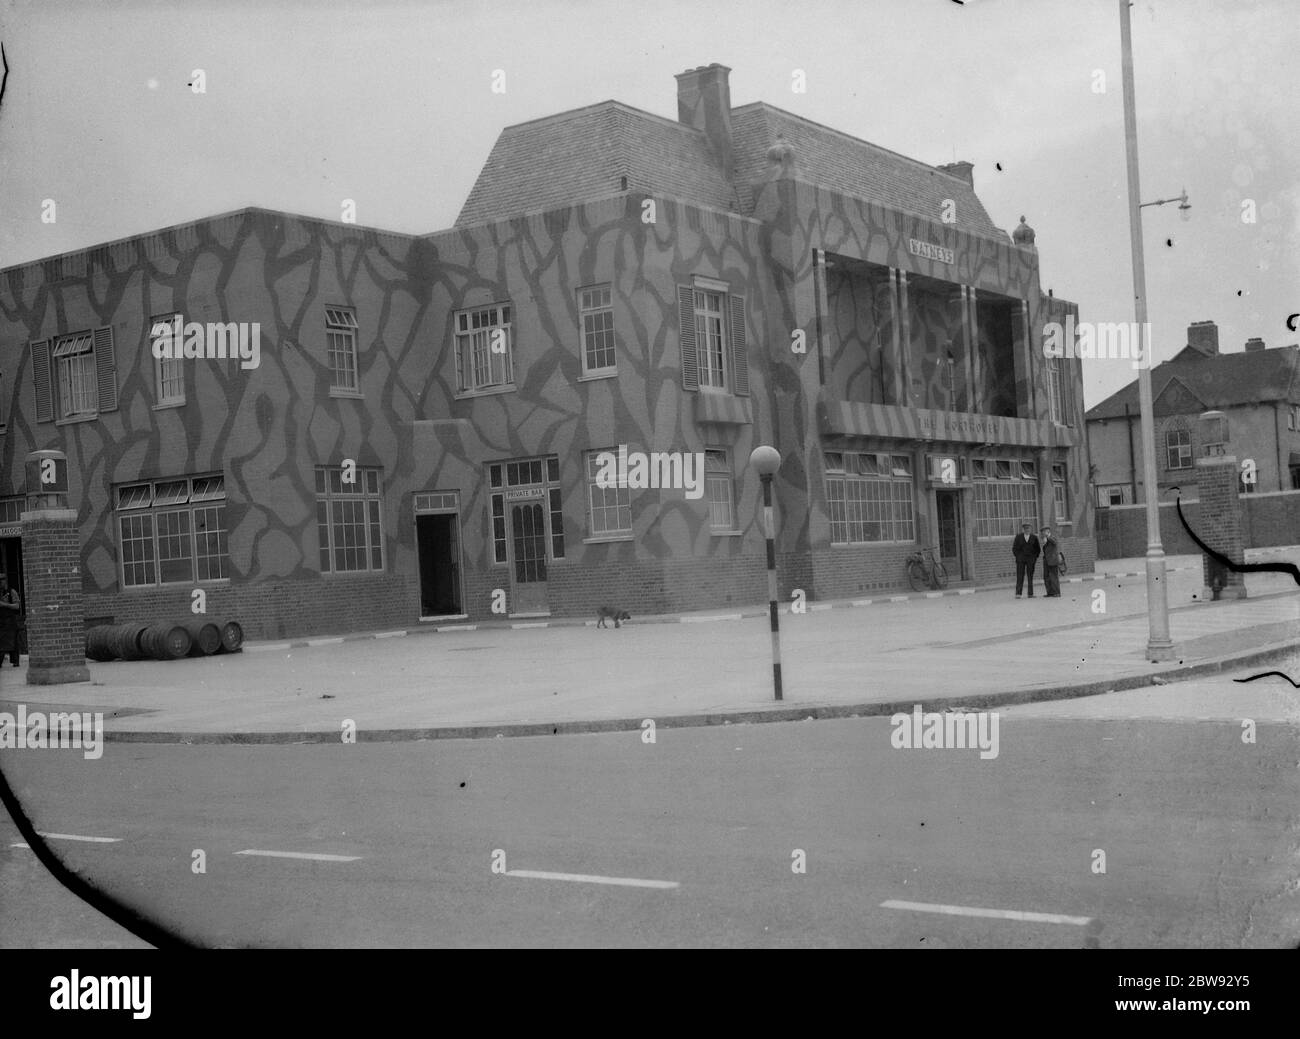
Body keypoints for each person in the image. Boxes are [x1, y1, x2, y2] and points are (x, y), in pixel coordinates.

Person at [1012, 521, 1040, 598]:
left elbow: (1037, 549)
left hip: (1030, 560)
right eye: (1025, 528)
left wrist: (1034, 558)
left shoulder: (1034, 538)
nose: (1027, 530)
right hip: (1020, 560)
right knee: (1020, 576)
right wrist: (1018, 557)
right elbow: (1014, 548)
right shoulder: (1018, 537)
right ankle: (1018, 593)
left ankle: (1030, 594)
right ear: (1023, 529)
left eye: (1028, 528)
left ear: (1030, 529)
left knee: (1030, 576)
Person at [0, 573, 22, 667]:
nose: (0, 583)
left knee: (13, 642)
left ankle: (15, 661)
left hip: (10, 621)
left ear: (5, 581)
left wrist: (5, 604)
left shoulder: (11, 592)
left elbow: (17, 606)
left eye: (2, 580)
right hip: (1, 621)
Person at [1040, 526, 1063, 598]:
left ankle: (1057, 592)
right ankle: (1050, 592)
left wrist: (1048, 537)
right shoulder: (1045, 539)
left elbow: (1054, 542)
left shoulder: (1053, 537)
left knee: (1054, 577)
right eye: (1042, 532)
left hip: (1053, 560)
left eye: (1044, 531)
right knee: (1046, 577)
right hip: (1046, 560)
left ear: (1048, 531)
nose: (1043, 533)